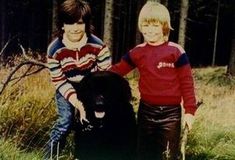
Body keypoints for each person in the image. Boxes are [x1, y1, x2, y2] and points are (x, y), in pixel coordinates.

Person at [110, 1, 197, 160]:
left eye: (155, 25)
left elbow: (187, 83)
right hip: (146, 111)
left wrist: (190, 111)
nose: (150, 30)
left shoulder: (176, 51)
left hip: (171, 115)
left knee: (168, 154)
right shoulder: (138, 52)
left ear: (164, 26)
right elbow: (117, 70)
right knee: (144, 153)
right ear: (140, 26)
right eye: (146, 25)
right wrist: (94, 77)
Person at [44, 0, 111, 159]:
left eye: (79, 23)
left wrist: (91, 100)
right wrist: (77, 103)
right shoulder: (54, 49)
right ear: (62, 25)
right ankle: (49, 155)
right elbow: (59, 80)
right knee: (65, 122)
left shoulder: (99, 46)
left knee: (94, 121)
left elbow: (104, 77)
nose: (75, 28)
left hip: (92, 87)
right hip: (66, 87)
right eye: (69, 23)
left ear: (86, 24)